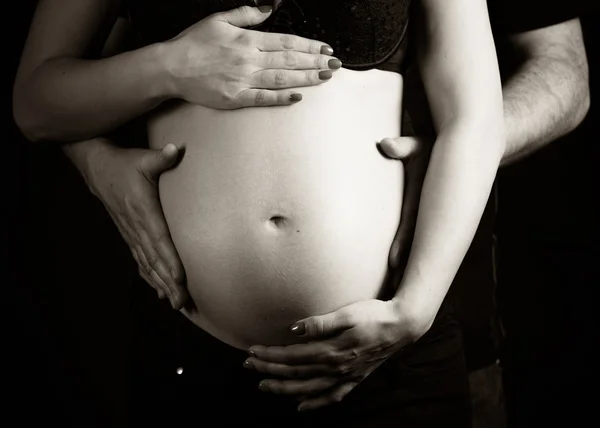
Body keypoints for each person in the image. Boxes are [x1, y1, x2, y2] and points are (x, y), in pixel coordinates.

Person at [13, 0, 505, 426]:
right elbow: (35, 103)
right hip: (195, 353)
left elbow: (475, 116)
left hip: (385, 346)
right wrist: (169, 66)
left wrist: (414, 310)